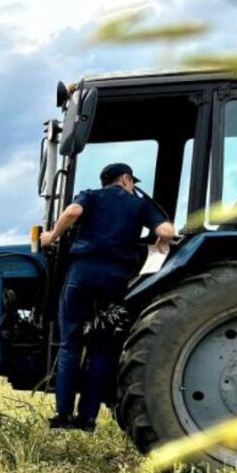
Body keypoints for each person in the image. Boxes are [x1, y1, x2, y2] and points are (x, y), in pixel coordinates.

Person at [41, 163, 175, 431]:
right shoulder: (138, 205)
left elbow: (72, 211)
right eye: (132, 182)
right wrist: (161, 242)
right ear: (126, 179)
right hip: (115, 280)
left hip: (83, 274)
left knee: (70, 344)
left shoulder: (90, 195)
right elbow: (166, 232)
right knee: (102, 349)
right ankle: (88, 419)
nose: (133, 186)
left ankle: (63, 416)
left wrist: (53, 236)